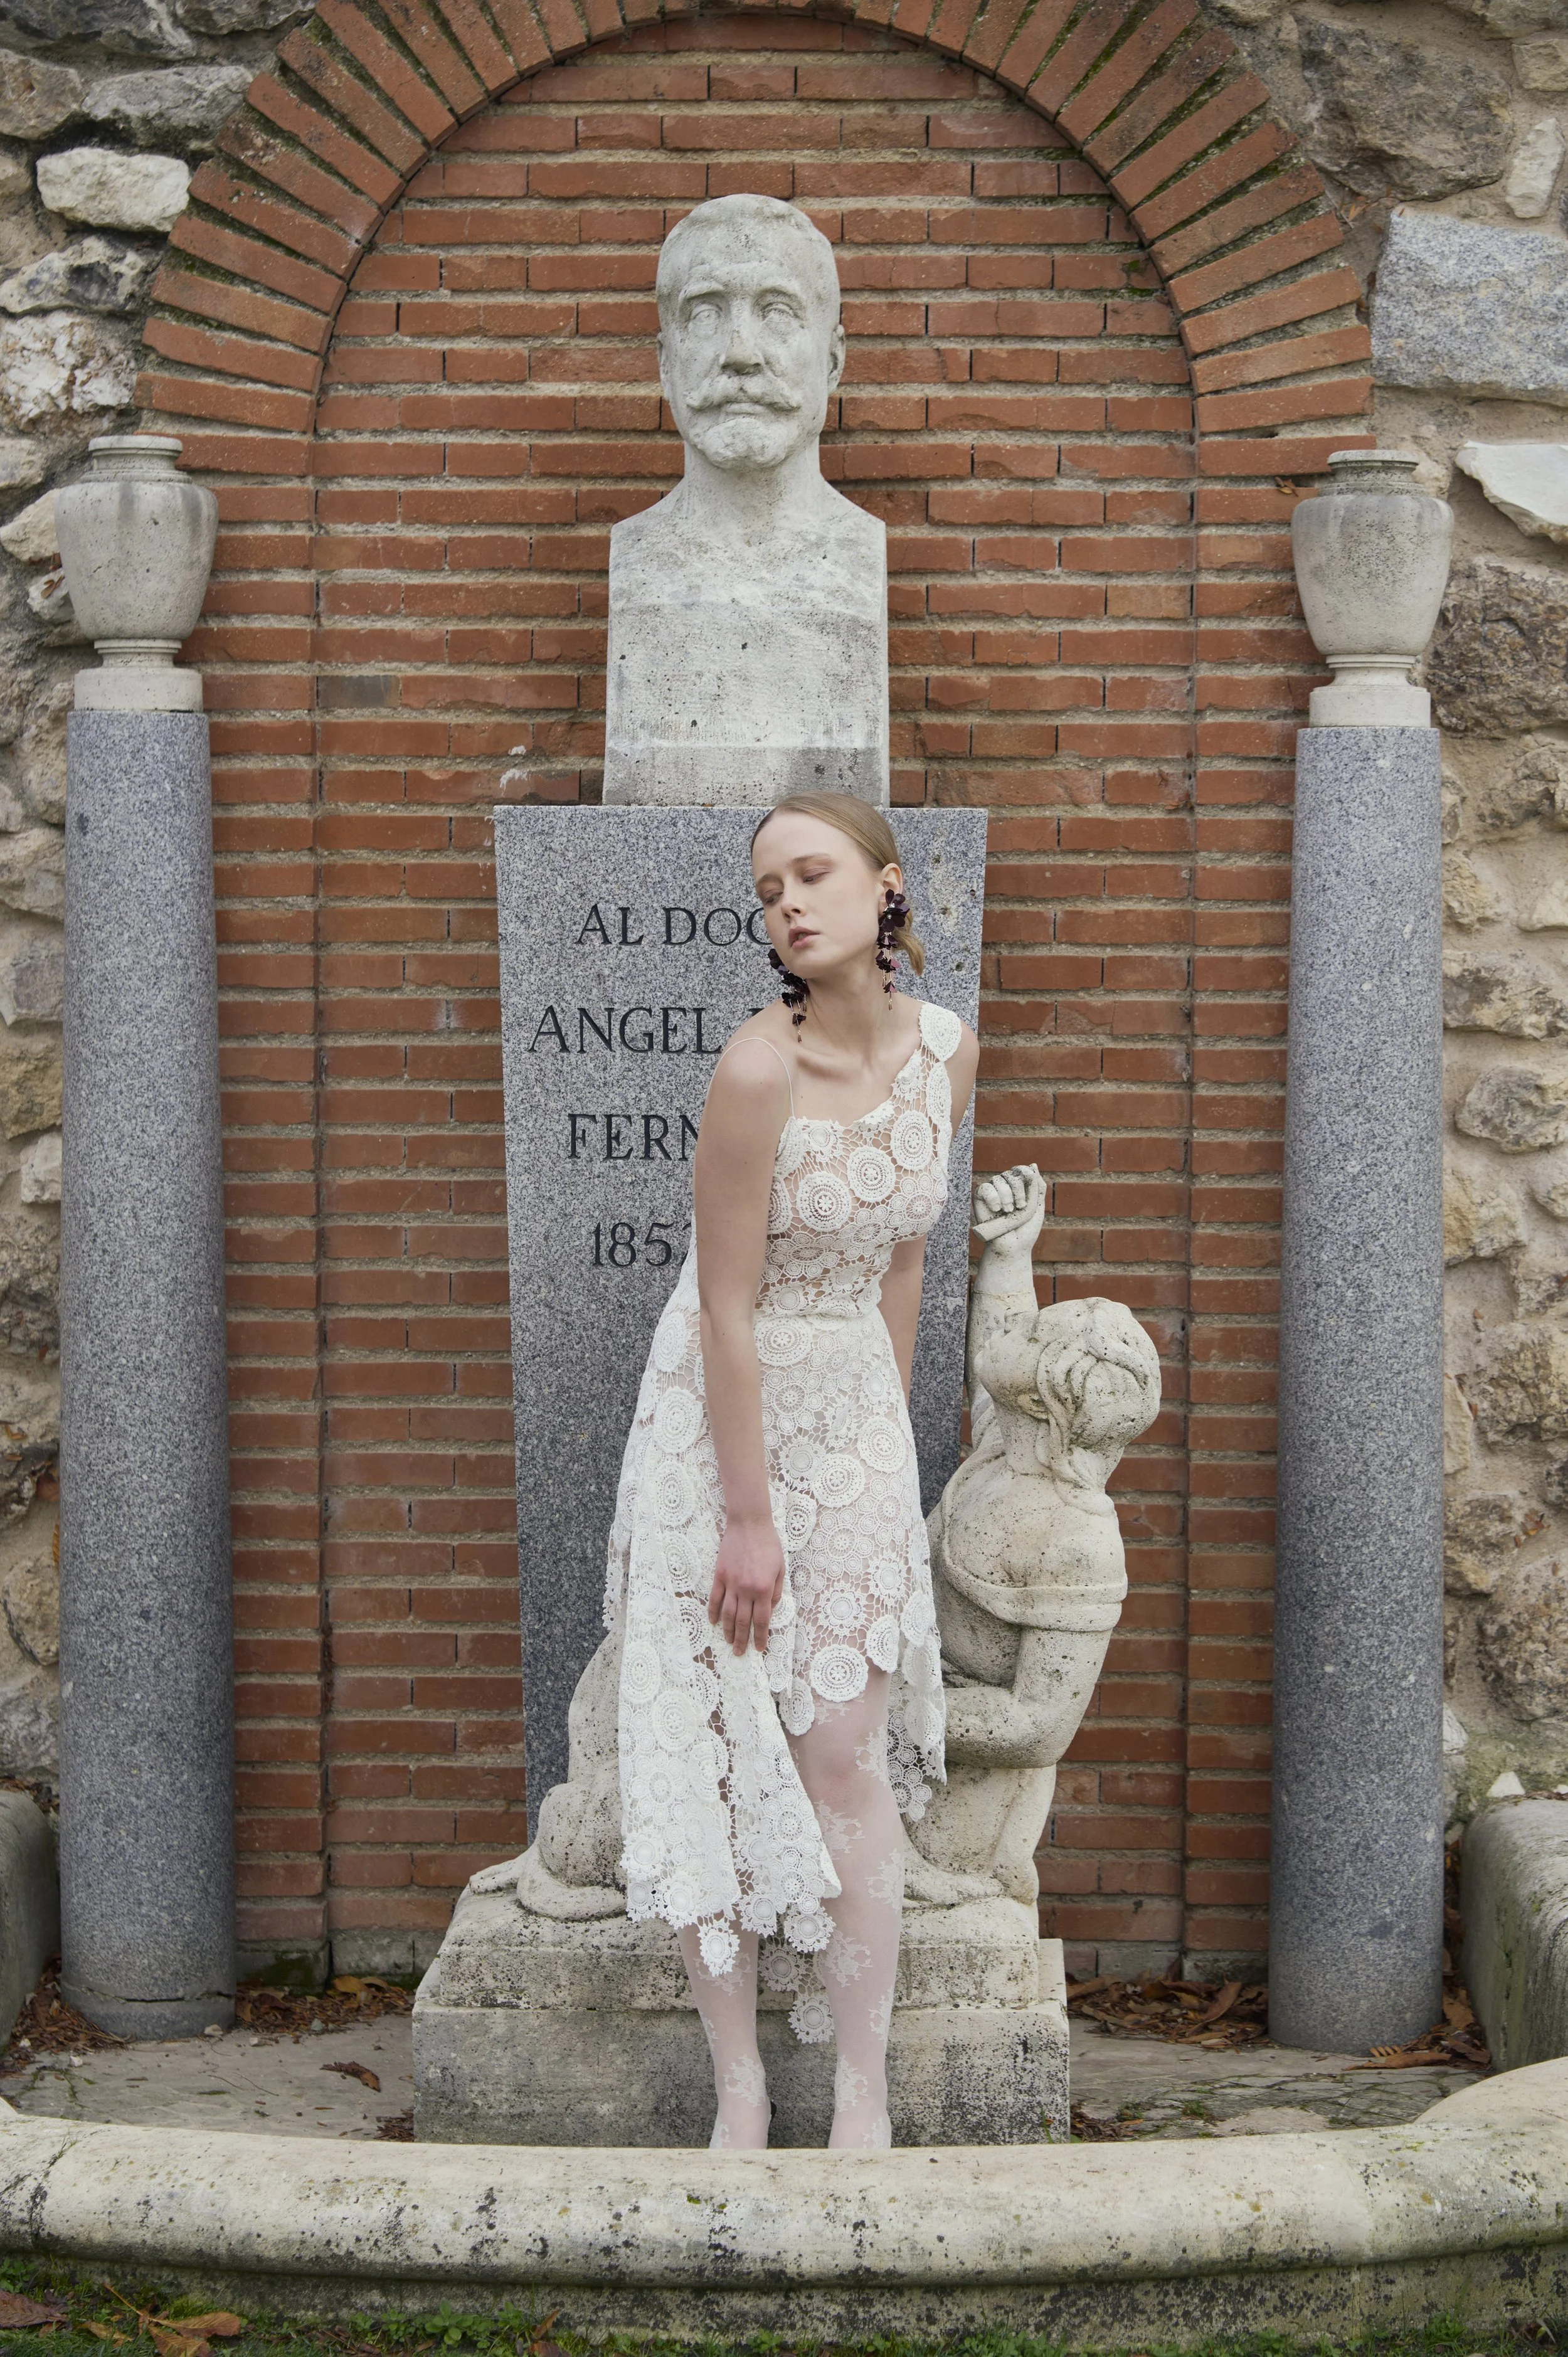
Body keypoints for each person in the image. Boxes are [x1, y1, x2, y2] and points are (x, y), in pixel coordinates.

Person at [602, 790, 979, 2151]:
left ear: (885, 886)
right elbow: (721, 1307)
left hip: (854, 1415)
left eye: (809, 873)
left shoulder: (947, 1050)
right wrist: (749, 1518)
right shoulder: (755, 1067)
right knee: (715, 1742)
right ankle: (741, 2092)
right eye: (766, 890)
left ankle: (862, 2095)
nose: (786, 904)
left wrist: (884, 1446)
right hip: (725, 1414)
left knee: (837, 1754)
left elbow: (909, 1259)